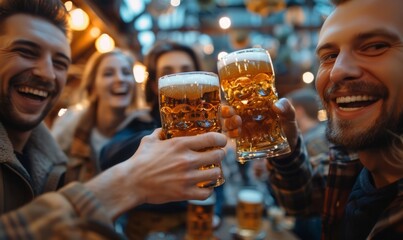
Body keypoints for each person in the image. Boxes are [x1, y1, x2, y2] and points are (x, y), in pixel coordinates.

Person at [0, 0, 241, 238]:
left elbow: (217, 181)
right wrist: (132, 179)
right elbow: (110, 153)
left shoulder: (49, 161)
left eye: (61, 62)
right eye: (26, 52)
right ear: (157, 85)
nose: (48, 73)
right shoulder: (126, 126)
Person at [264, 0, 403, 239]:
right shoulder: (353, 161)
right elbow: (302, 201)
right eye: (329, 56)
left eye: (375, 46)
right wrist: (285, 148)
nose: (338, 71)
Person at [99, 41, 226, 239]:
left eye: (186, 71)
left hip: (194, 226)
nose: (180, 80)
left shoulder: (209, 126)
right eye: (168, 72)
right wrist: (168, 135)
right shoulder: (140, 123)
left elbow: (216, 177)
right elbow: (107, 155)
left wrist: (215, 212)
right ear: (155, 85)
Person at [51, 48, 152, 182]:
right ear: (92, 87)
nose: (120, 79)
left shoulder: (146, 130)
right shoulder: (69, 126)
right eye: (108, 74)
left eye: (126, 73)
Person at [285, 88, 329, 240]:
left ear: (299, 111)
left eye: (286, 110)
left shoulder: (316, 139)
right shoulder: (311, 136)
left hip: (316, 223)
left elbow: (323, 191)